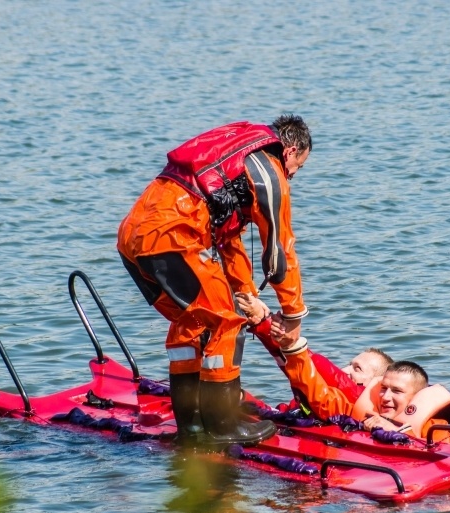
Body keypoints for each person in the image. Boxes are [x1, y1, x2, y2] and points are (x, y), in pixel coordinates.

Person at [117, 115, 312, 446]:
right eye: (298, 167)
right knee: (225, 322)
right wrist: (293, 315)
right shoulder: (268, 169)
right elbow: (280, 251)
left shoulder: (232, 162)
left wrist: (247, 296)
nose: (293, 175)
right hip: (171, 237)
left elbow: (229, 242)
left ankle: (191, 427)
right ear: (291, 150)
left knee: (194, 322)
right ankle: (222, 426)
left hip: (132, 237)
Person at [237, 293, 392, 420]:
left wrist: (267, 324)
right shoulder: (310, 398)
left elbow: (311, 368)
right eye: (349, 364)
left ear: (375, 387)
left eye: (357, 369)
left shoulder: (361, 404)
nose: (345, 370)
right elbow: (293, 370)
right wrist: (240, 399)